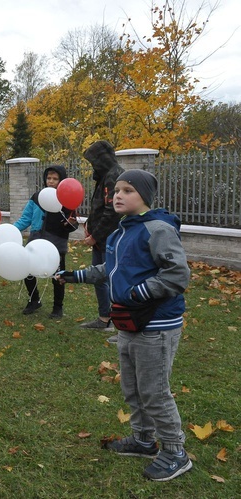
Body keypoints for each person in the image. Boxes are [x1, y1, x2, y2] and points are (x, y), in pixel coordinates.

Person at [57, 169, 192, 482]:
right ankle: (144, 441)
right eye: (116, 190)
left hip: (156, 324)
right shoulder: (121, 232)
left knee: (154, 392)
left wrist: (140, 292)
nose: (118, 195)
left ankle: (175, 453)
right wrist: (75, 276)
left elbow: (177, 274)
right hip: (128, 323)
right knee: (132, 388)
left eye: (128, 190)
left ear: (144, 196)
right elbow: (111, 268)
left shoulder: (157, 228)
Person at [13, 165, 78, 318]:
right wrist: (11, 231)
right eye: (49, 178)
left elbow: (72, 224)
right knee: (27, 271)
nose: (51, 181)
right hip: (36, 241)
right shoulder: (37, 197)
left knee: (58, 276)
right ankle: (34, 299)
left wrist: (70, 224)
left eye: (55, 179)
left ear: (61, 181)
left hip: (56, 243)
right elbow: (25, 218)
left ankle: (57, 307)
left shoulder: (66, 199)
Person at [80, 140, 124, 331]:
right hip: (101, 240)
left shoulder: (114, 177)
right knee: (98, 278)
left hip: (110, 239)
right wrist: (90, 226)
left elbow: (111, 212)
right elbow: (99, 208)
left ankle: (120, 323)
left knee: (114, 280)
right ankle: (104, 318)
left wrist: (95, 236)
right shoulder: (105, 176)